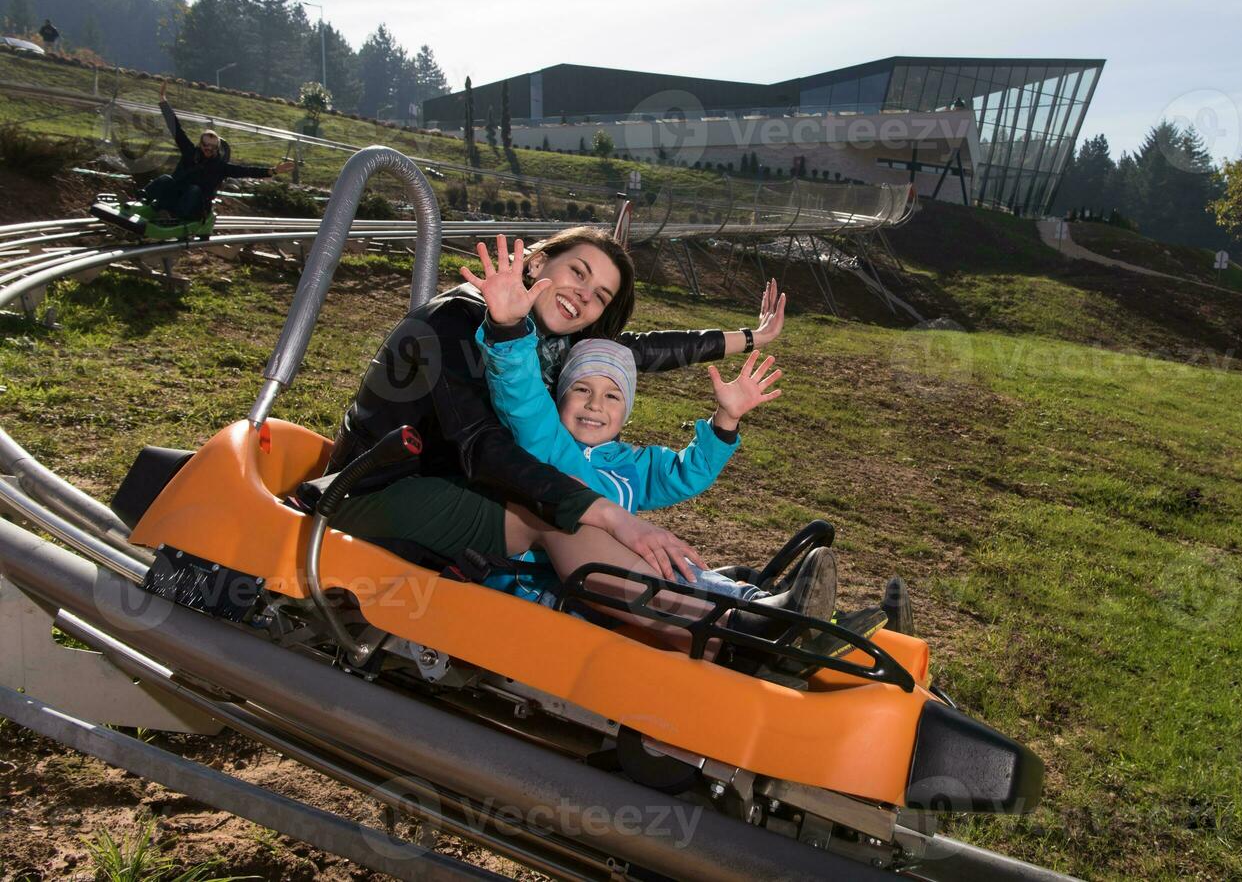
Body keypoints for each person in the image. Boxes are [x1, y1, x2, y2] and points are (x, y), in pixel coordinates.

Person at [327, 227, 825, 648]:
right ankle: (733, 624)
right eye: (578, 274)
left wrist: (752, 337)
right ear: (538, 262)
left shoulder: (548, 341)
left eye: (601, 295)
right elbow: (480, 445)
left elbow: (639, 351)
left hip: (455, 488)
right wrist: (609, 514)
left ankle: (715, 608)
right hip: (375, 488)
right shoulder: (454, 321)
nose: (585, 296)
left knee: (565, 503)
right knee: (556, 512)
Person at [470, 236, 787, 605]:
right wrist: (507, 329)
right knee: (674, 576)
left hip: (618, 583)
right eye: (581, 390)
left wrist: (727, 419)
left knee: (670, 569)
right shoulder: (546, 440)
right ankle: (752, 607)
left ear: (627, 412)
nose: (594, 405)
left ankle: (754, 602)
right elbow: (520, 394)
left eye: (612, 396)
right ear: (557, 395)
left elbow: (688, 473)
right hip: (554, 587)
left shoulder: (631, 464)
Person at [142, 80, 293, 221]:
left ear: (217, 148)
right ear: (200, 144)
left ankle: (175, 218)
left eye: (212, 147)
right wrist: (163, 100)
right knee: (166, 179)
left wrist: (273, 171)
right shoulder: (190, 152)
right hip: (175, 196)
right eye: (205, 145)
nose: (208, 149)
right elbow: (176, 129)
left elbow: (246, 171)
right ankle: (143, 200)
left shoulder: (220, 167)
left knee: (194, 189)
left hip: (194, 206)